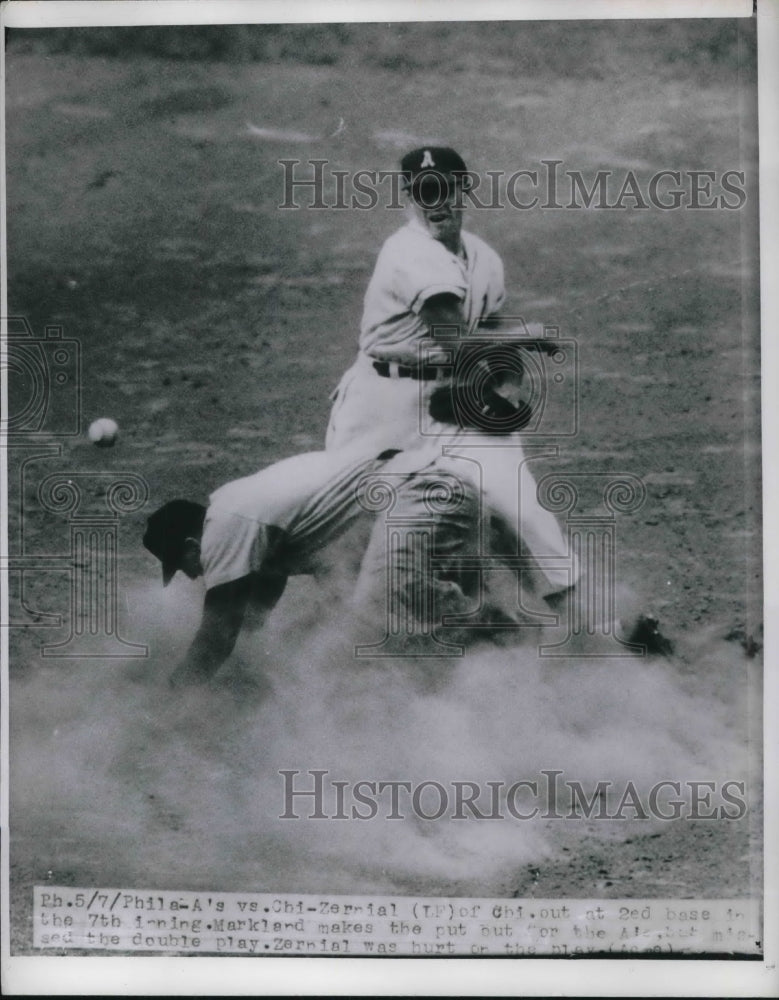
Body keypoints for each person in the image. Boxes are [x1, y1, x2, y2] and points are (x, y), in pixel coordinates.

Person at [142, 439, 593, 687]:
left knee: (377, 623)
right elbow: (255, 616)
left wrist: (166, 700)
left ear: (190, 539)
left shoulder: (225, 524)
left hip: (423, 497)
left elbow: (218, 635)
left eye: (184, 564)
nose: (191, 575)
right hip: (435, 492)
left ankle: (519, 635)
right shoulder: (245, 511)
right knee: (367, 636)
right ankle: (529, 679)